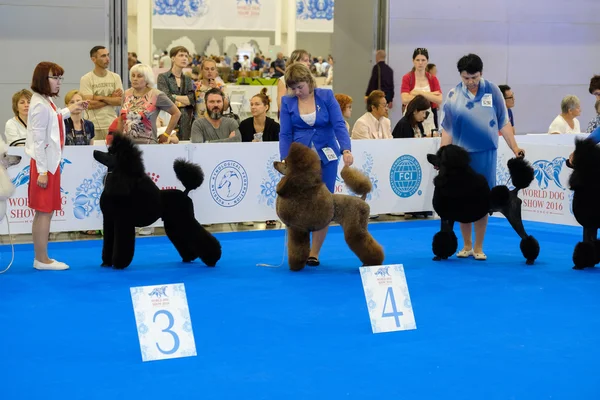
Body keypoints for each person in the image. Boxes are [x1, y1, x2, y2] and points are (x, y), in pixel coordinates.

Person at [440, 53, 524, 261]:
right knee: (462, 199)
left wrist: (514, 147)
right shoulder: (453, 95)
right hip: (461, 158)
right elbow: (447, 129)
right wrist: (442, 156)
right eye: (466, 78)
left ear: (481, 73)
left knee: (482, 200)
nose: (470, 82)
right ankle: (466, 245)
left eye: (474, 77)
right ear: (460, 76)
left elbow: (504, 122)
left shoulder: (493, 90)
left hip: (486, 154)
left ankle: (478, 246)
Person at [279, 63, 353, 267]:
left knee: (323, 203)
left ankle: (314, 252)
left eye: (300, 87)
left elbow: (339, 124)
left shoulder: (326, 96)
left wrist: (346, 149)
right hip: (300, 162)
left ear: (310, 82)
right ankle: (298, 252)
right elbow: (285, 133)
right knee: (298, 205)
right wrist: (286, 160)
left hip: (327, 157)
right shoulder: (287, 102)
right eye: (293, 88)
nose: (297, 92)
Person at [25, 62, 88, 270]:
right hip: (45, 165)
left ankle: (41, 257)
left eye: (60, 78)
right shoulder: (39, 104)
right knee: (44, 211)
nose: (59, 82)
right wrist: (42, 171)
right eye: (55, 78)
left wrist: (71, 110)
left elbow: (53, 119)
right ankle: (41, 259)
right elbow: (38, 140)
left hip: (49, 164)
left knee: (45, 211)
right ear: (44, 79)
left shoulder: (46, 101)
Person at [117, 64, 180, 144]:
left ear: (147, 79)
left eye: (139, 76)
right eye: (133, 75)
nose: (135, 79)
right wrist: (117, 140)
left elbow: (176, 113)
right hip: (126, 145)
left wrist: (166, 134)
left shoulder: (156, 95)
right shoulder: (126, 94)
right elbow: (121, 119)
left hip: (148, 143)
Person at [79, 46, 123, 140]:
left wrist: (99, 98)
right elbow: (89, 104)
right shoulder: (86, 79)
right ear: (93, 59)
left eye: (108, 55)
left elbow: (120, 101)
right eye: (103, 56)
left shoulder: (115, 77)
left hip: (112, 123)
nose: (107, 59)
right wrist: (111, 98)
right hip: (93, 125)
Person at [157, 46, 196, 140]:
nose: (184, 58)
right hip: (169, 119)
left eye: (186, 56)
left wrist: (174, 96)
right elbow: (166, 99)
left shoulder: (187, 79)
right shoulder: (163, 77)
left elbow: (191, 99)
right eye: (181, 55)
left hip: (185, 121)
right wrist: (183, 102)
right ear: (173, 58)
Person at [401, 48, 442, 133]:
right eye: (417, 60)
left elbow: (439, 99)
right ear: (413, 61)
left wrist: (418, 93)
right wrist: (430, 95)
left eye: (423, 60)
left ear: (427, 61)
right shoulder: (407, 78)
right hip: (412, 117)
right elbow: (404, 99)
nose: (420, 63)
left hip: (428, 116)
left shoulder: (432, 78)